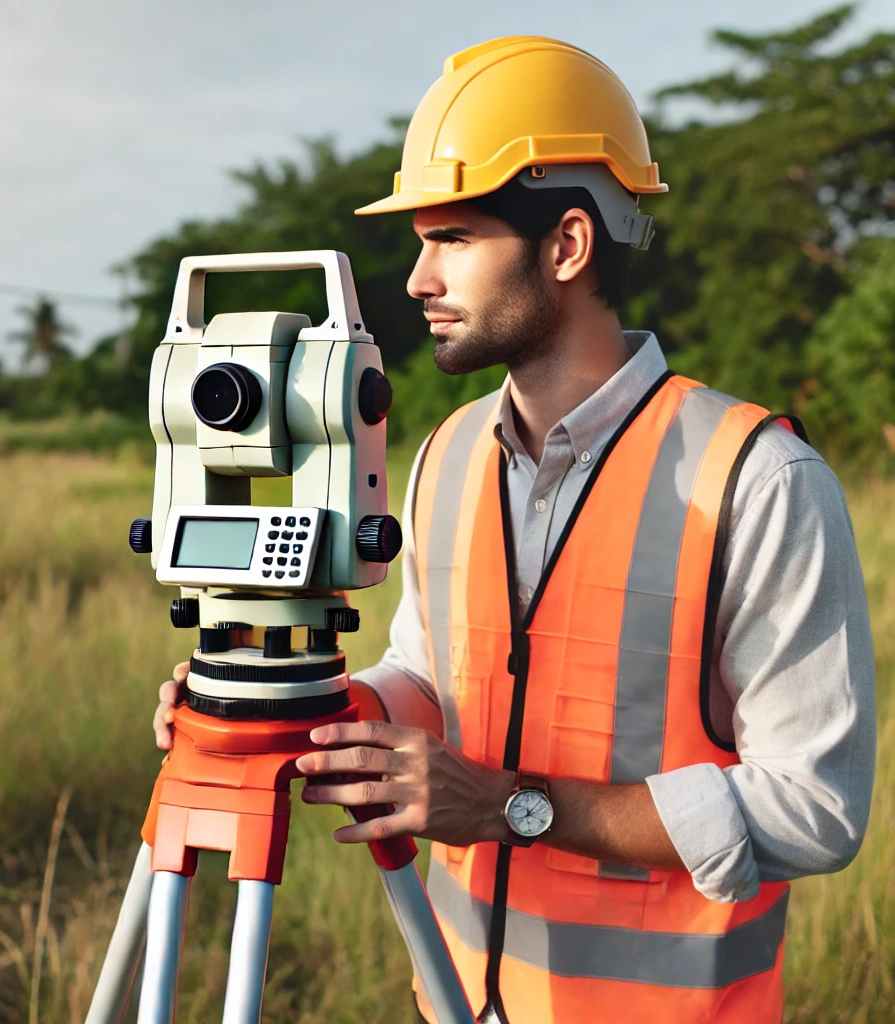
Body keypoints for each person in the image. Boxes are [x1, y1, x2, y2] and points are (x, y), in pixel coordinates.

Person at [153, 36, 876, 1024]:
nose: (417, 279)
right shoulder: (446, 455)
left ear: (568, 245)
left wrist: (513, 806)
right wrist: (308, 708)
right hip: (453, 1002)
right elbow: (432, 678)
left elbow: (816, 808)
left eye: (451, 237)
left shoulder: (756, 478)